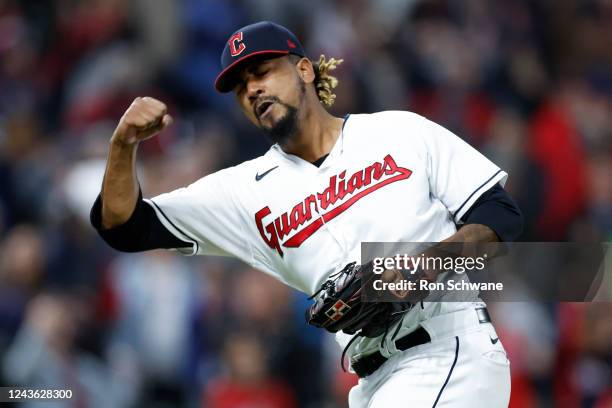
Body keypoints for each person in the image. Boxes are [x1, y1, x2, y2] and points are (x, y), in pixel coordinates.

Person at [91, 21, 522, 407]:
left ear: (304, 70)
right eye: (241, 87)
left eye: (261, 72)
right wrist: (122, 146)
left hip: (448, 349)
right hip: (373, 381)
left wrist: (425, 264)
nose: (252, 90)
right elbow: (126, 227)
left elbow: (500, 215)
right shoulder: (243, 192)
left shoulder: (398, 131)